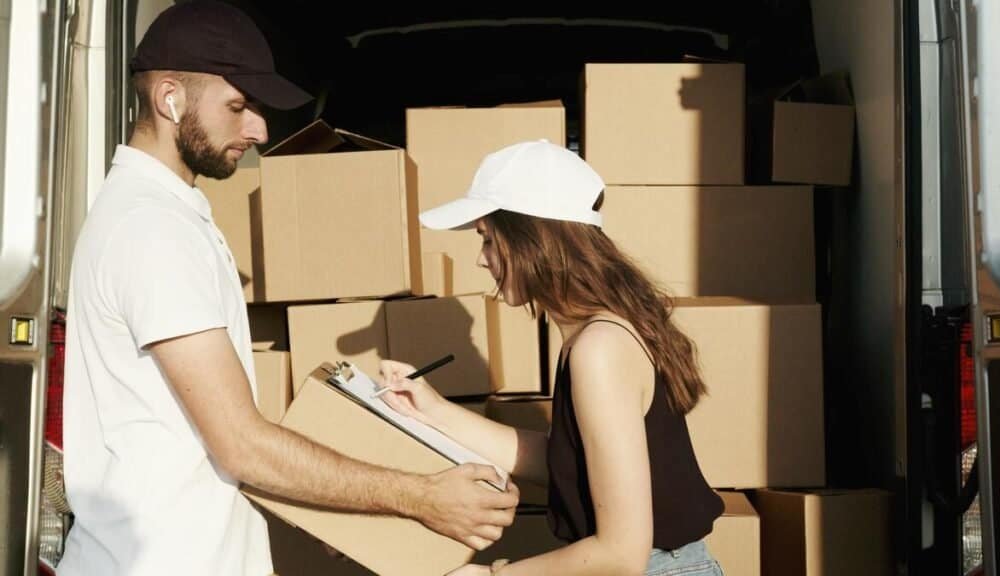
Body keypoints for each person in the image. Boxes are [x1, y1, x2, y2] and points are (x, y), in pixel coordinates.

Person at [58, 2, 516, 575]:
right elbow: (242, 445)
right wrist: (422, 497)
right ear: (169, 98)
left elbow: (212, 441)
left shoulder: (169, 217)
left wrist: (339, 504)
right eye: (238, 106)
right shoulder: (151, 229)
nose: (259, 129)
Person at [380, 139, 726, 576]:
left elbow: (622, 553)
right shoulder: (596, 335)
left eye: (487, 239)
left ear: (532, 238)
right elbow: (566, 463)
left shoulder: (598, 349)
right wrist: (432, 411)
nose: (481, 259)